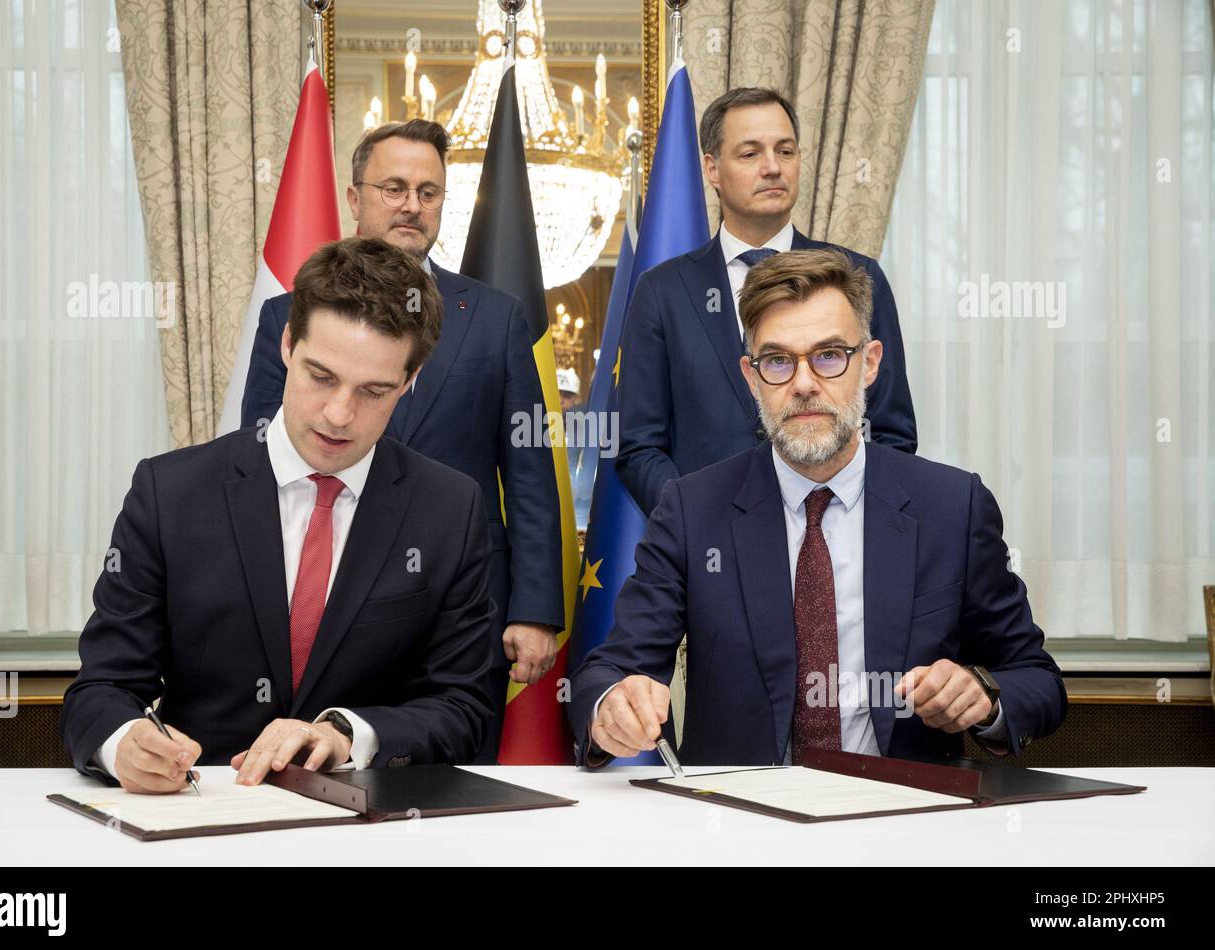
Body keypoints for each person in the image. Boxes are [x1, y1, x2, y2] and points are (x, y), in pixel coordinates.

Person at [571, 247, 1065, 767]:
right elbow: (608, 671)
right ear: (751, 376)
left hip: (905, 820)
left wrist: (983, 698)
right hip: (740, 827)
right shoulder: (693, 511)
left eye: (829, 355)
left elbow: (1036, 680)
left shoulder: (953, 507)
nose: (804, 383)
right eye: (779, 360)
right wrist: (612, 707)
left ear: (869, 363)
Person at [61, 238, 497, 792]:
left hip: (368, 825)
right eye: (321, 376)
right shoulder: (169, 492)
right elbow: (101, 689)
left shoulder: (450, 508)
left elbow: (462, 707)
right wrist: (124, 744)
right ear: (288, 345)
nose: (339, 415)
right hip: (201, 812)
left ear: (410, 382)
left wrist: (349, 733)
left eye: (374, 391)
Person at [240, 120, 563, 763]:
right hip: (322, 586)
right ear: (354, 197)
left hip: (459, 601)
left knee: (449, 771)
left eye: (429, 191)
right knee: (318, 768)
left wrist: (535, 608)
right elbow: (259, 449)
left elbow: (529, 469)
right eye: (393, 188)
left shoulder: (496, 317)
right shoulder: (292, 311)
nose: (412, 205)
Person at [616, 87, 918, 517]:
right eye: (750, 154)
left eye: (786, 151)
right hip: (709, 558)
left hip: (833, 540)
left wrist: (834, 516)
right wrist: (698, 525)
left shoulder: (857, 277)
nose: (773, 167)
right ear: (712, 169)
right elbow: (638, 445)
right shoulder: (662, 291)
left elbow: (892, 433)